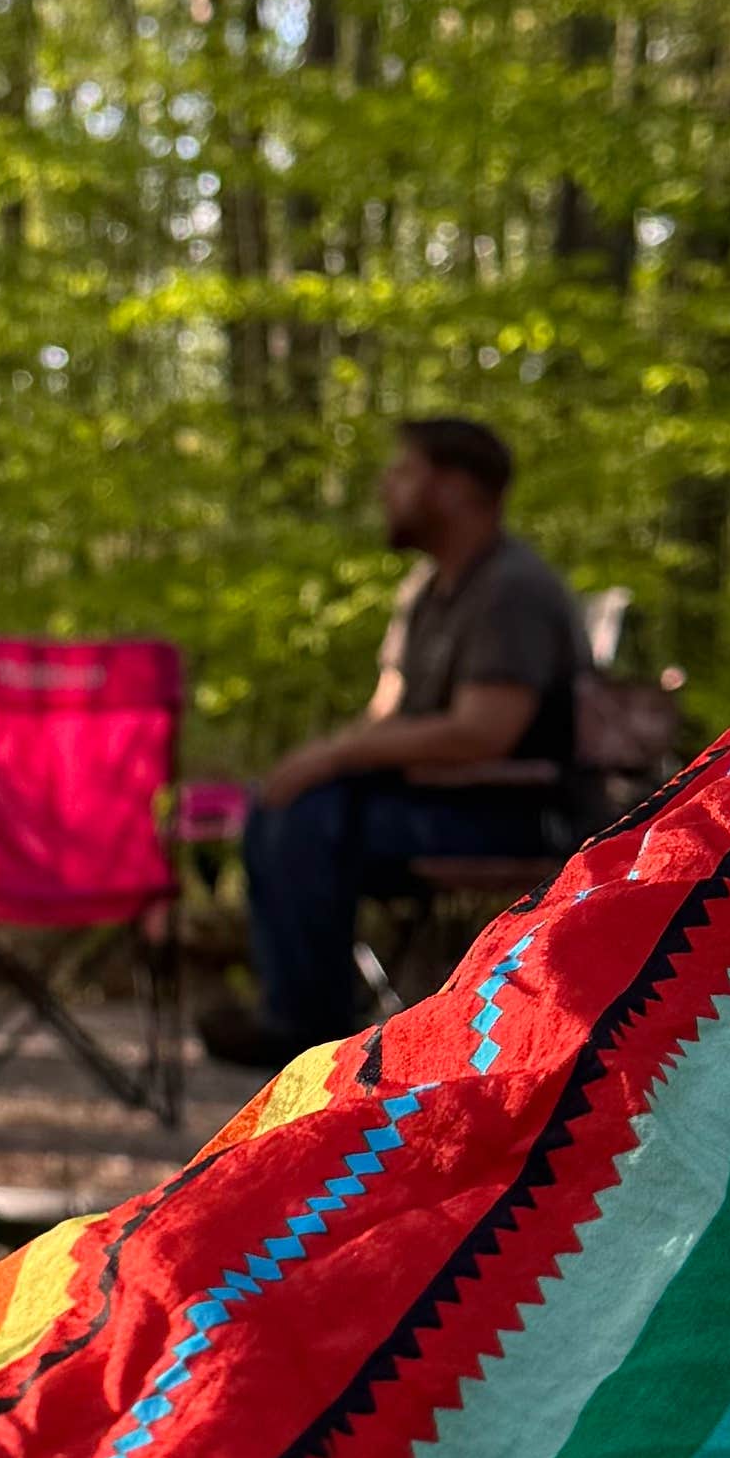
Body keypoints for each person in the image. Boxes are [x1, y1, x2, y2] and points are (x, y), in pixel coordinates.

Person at [206, 414, 589, 1069]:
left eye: (404, 471)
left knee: (308, 818)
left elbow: (482, 733)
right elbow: (387, 715)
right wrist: (313, 762)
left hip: (517, 815)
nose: (386, 486)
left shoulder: (511, 589)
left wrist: (331, 759)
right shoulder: (425, 592)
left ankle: (307, 1031)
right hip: (438, 803)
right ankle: (299, 1016)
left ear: (455, 489)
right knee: (276, 805)